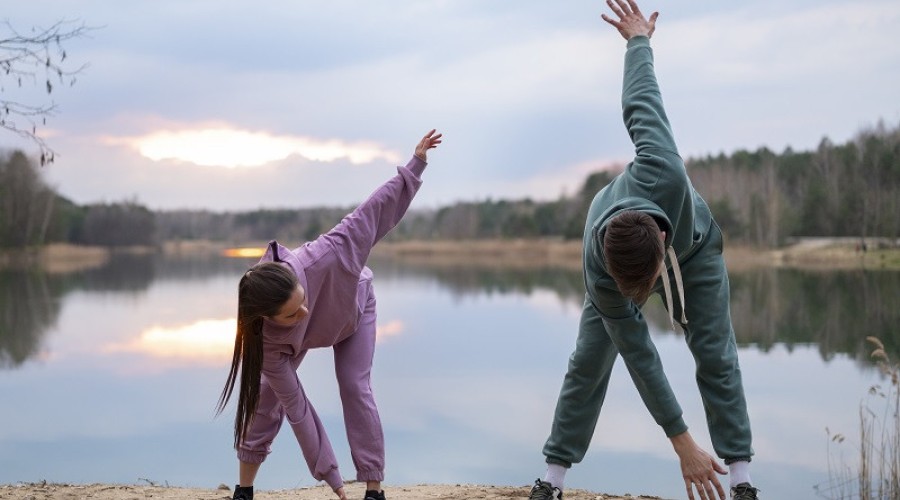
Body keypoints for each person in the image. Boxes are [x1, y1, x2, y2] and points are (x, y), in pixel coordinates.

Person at [527, 2, 759, 500]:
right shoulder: (600, 269)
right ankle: (552, 479)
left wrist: (638, 43)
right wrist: (682, 442)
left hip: (696, 251)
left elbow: (641, 102)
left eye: (650, 284)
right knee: (589, 360)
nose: (650, 295)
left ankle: (742, 482)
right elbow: (641, 356)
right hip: (623, 267)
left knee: (716, 352)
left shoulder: (664, 169)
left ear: (659, 242)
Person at [216, 129, 443, 500]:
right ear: (268, 318)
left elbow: (374, 212)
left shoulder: (330, 253)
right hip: (299, 339)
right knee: (267, 396)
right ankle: (244, 488)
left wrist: (415, 165)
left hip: (353, 311)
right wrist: (333, 480)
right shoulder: (268, 341)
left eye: (302, 300)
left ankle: (373, 487)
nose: (303, 311)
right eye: (292, 314)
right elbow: (300, 411)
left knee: (354, 385)